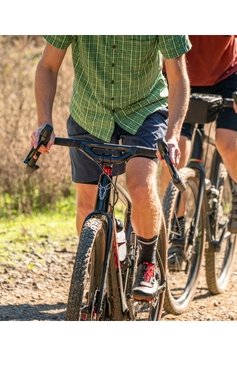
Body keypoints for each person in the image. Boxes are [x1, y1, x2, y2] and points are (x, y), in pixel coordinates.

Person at [30, 35, 191, 300]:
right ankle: (99, 274)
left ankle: (147, 263)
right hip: (89, 113)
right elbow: (48, 66)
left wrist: (172, 135)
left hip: (145, 111)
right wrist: (44, 121)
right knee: (87, 206)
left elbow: (177, 78)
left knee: (140, 187)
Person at [160, 35, 237, 270]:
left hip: (227, 77)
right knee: (174, 157)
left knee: (228, 143)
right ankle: (177, 232)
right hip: (179, 75)